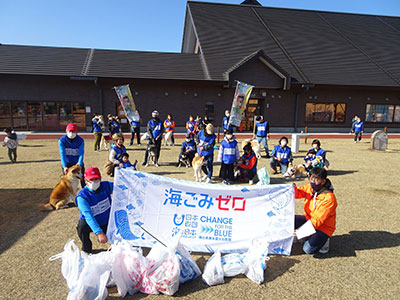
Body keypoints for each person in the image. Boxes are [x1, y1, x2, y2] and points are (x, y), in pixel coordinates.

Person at [294, 167, 337, 254]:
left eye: (316, 179)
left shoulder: (329, 198)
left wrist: (302, 232)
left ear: (323, 181)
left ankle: (325, 240)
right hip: (309, 219)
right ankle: (309, 234)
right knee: (290, 220)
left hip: (323, 227)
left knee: (308, 249)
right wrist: (293, 189)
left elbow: (318, 220)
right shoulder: (309, 187)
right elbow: (299, 193)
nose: (312, 181)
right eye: (311, 178)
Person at [75, 167, 113, 253]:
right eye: (91, 180)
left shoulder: (106, 186)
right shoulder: (82, 197)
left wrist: (120, 172)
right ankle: (87, 249)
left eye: (96, 179)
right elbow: (88, 216)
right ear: (85, 181)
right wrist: (99, 233)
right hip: (92, 221)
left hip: (107, 221)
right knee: (82, 226)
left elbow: (120, 185)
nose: (94, 182)